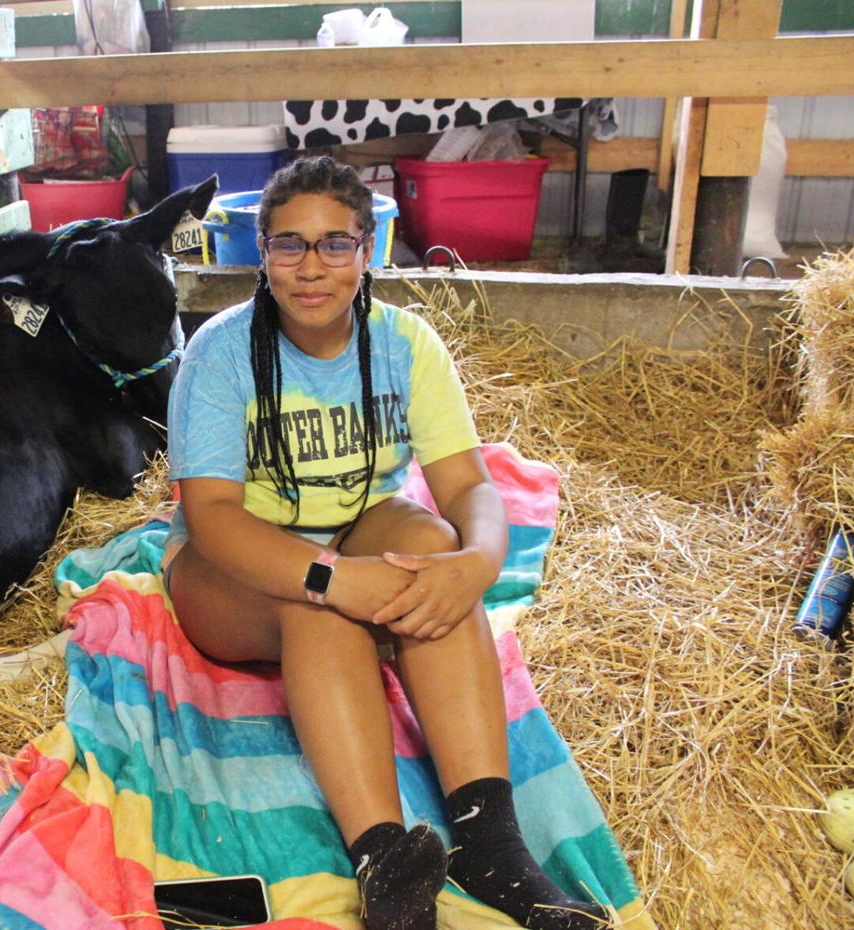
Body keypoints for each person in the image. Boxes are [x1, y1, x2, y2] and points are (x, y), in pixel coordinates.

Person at [163, 156, 609, 930]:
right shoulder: (221, 353)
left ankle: (489, 843)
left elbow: (470, 489)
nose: (312, 268)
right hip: (234, 561)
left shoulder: (406, 343)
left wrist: (475, 564)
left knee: (431, 550)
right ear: (259, 253)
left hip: (357, 524)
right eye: (288, 245)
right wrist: (334, 580)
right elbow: (212, 516)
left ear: (370, 252)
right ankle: (384, 862)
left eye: (335, 245)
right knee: (315, 609)